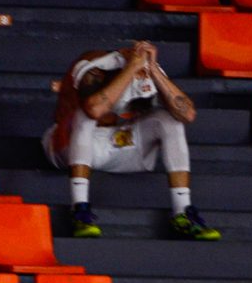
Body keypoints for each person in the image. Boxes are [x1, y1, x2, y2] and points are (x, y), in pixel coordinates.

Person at [42, 41, 220, 241]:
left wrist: (152, 69)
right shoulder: (96, 64)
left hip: (119, 144)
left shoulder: (149, 69)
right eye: (140, 71)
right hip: (69, 145)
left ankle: (182, 213)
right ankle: (79, 211)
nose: (142, 76)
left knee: (170, 121)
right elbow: (94, 109)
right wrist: (131, 68)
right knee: (85, 115)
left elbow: (187, 114)